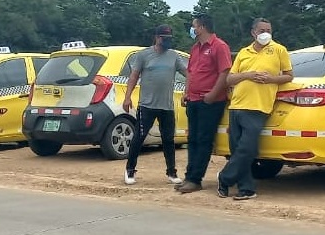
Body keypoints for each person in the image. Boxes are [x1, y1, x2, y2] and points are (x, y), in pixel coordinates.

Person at [218, 18, 293, 200]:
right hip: (236, 106)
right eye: (261, 30)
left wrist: (271, 80)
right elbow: (229, 79)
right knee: (237, 150)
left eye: (268, 30)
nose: (265, 33)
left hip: (258, 107)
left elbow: (288, 76)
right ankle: (246, 189)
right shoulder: (244, 52)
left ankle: (224, 178)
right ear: (253, 32)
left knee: (247, 149)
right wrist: (248, 75)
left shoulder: (279, 50)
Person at [121, 25, 187, 186]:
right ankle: (130, 170)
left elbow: (188, 73)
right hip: (147, 105)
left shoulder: (174, 56)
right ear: (157, 38)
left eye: (169, 39)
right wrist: (127, 97)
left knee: (168, 140)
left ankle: (171, 172)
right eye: (165, 39)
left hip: (167, 106)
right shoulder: (144, 55)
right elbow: (134, 76)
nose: (167, 42)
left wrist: (188, 92)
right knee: (139, 138)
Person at [176, 14, 232, 194]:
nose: (192, 30)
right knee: (192, 140)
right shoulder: (195, 48)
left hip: (211, 101)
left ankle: (195, 179)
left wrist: (213, 94)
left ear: (202, 27)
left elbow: (224, 73)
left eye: (194, 26)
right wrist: (186, 92)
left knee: (203, 140)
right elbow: (190, 73)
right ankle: (189, 176)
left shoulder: (219, 46)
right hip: (193, 99)